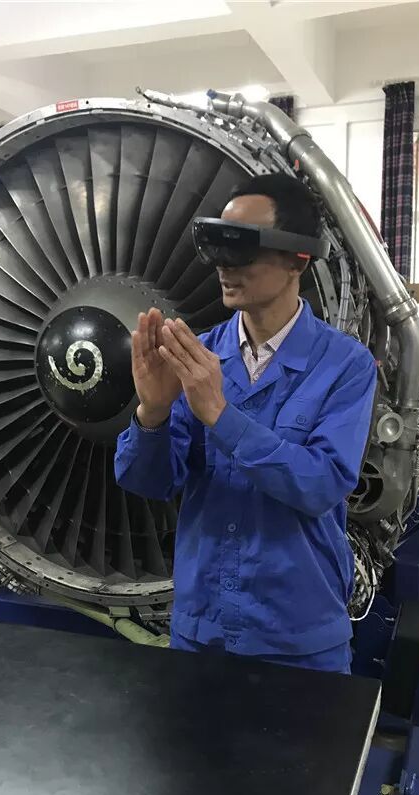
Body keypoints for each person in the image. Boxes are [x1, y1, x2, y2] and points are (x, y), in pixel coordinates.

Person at [114, 173, 377, 674]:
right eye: (217, 247)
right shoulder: (198, 355)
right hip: (201, 629)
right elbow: (149, 482)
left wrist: (221, 416)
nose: (224, 266)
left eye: (242, 249)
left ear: (298, 258)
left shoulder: (346, 365)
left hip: (298, 637)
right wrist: (152, 413)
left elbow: (321, 484)